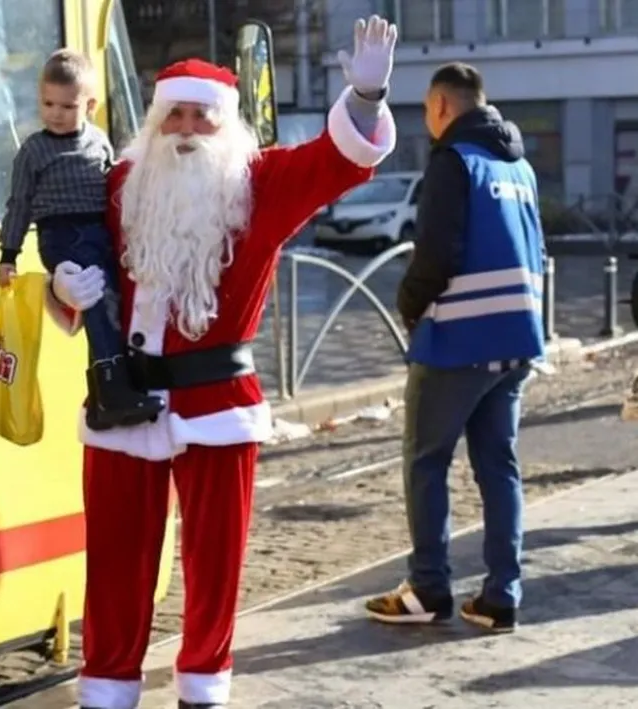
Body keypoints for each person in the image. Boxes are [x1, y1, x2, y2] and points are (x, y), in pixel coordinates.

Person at [44, 16, 399, 709]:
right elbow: (66, 243)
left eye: (201, 117)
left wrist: (366, 95)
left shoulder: (259, 183)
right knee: (114, 563)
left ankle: (202, 689)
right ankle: (108, 689)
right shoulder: (123, 183)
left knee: (215, 568)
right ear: (152, 122)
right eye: (172, 113)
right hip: (122, 401)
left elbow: (338, 160)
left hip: (218, 407)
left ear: (226, 126)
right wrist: (62, 284)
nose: (184, 129)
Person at [365, 62, 546, 634]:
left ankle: (428, 588)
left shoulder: (453, 162)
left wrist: (410, 306)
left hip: (458, 339)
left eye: (426, 109)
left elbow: (435, 253)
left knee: (426, 461)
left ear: (442, 106)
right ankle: (501, 596)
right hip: (515, 339)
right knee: (500, 467)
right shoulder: (519, 167)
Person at [0, 49, 164, 431]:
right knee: (97, 302)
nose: (55, 113)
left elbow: (112, 185)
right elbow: (19, 204)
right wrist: (9, 253)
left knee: (108, 305)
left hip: (97, 232)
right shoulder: (34, 151)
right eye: (48, 103)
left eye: (67, 105)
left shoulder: (98, 142)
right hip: (61, 235)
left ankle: (103, 395)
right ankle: (113, 389)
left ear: (89, 105)